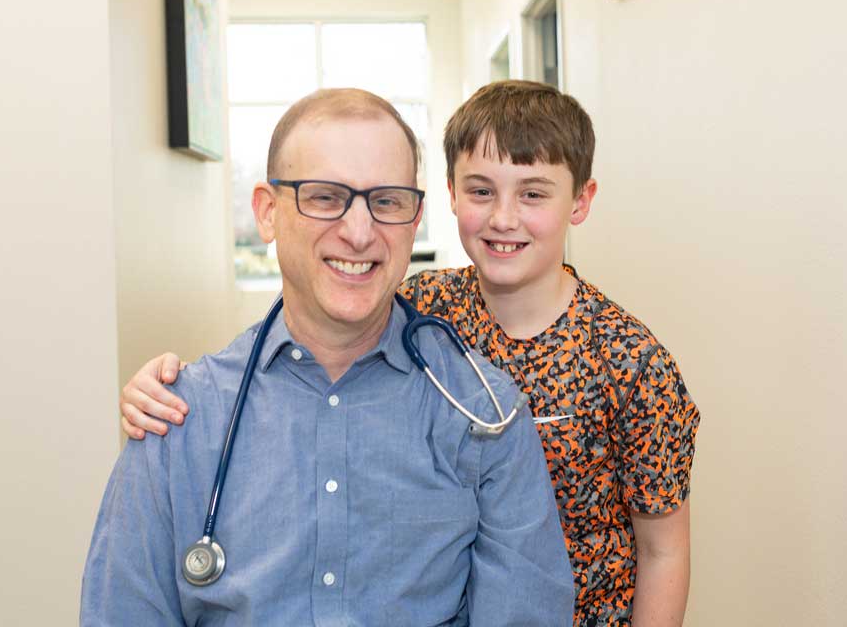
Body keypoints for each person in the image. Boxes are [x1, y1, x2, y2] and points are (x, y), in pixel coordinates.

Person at [120, 81, 701, 625]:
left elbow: (663, 550)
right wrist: (176, 386)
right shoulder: (426, 306)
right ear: (448, 197)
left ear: (580, 200)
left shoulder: (626, 362)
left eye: (533, 194)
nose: (503, 218)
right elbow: (320, 312)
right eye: (481, 191)